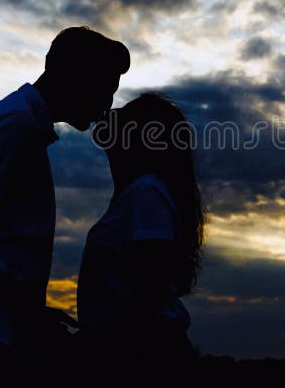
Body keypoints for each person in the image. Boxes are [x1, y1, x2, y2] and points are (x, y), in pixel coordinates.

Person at [0, 26, 130, 382]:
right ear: (75, 76)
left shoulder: (22, 124)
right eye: (104, 90)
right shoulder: (14, 123)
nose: (106, 106)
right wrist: (26, 310)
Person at [75, 91, 206, 382]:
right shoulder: (140, 194)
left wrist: (103, 342)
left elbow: (150, 286)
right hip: (144, 348)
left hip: (145, 354)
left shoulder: (145, 192)